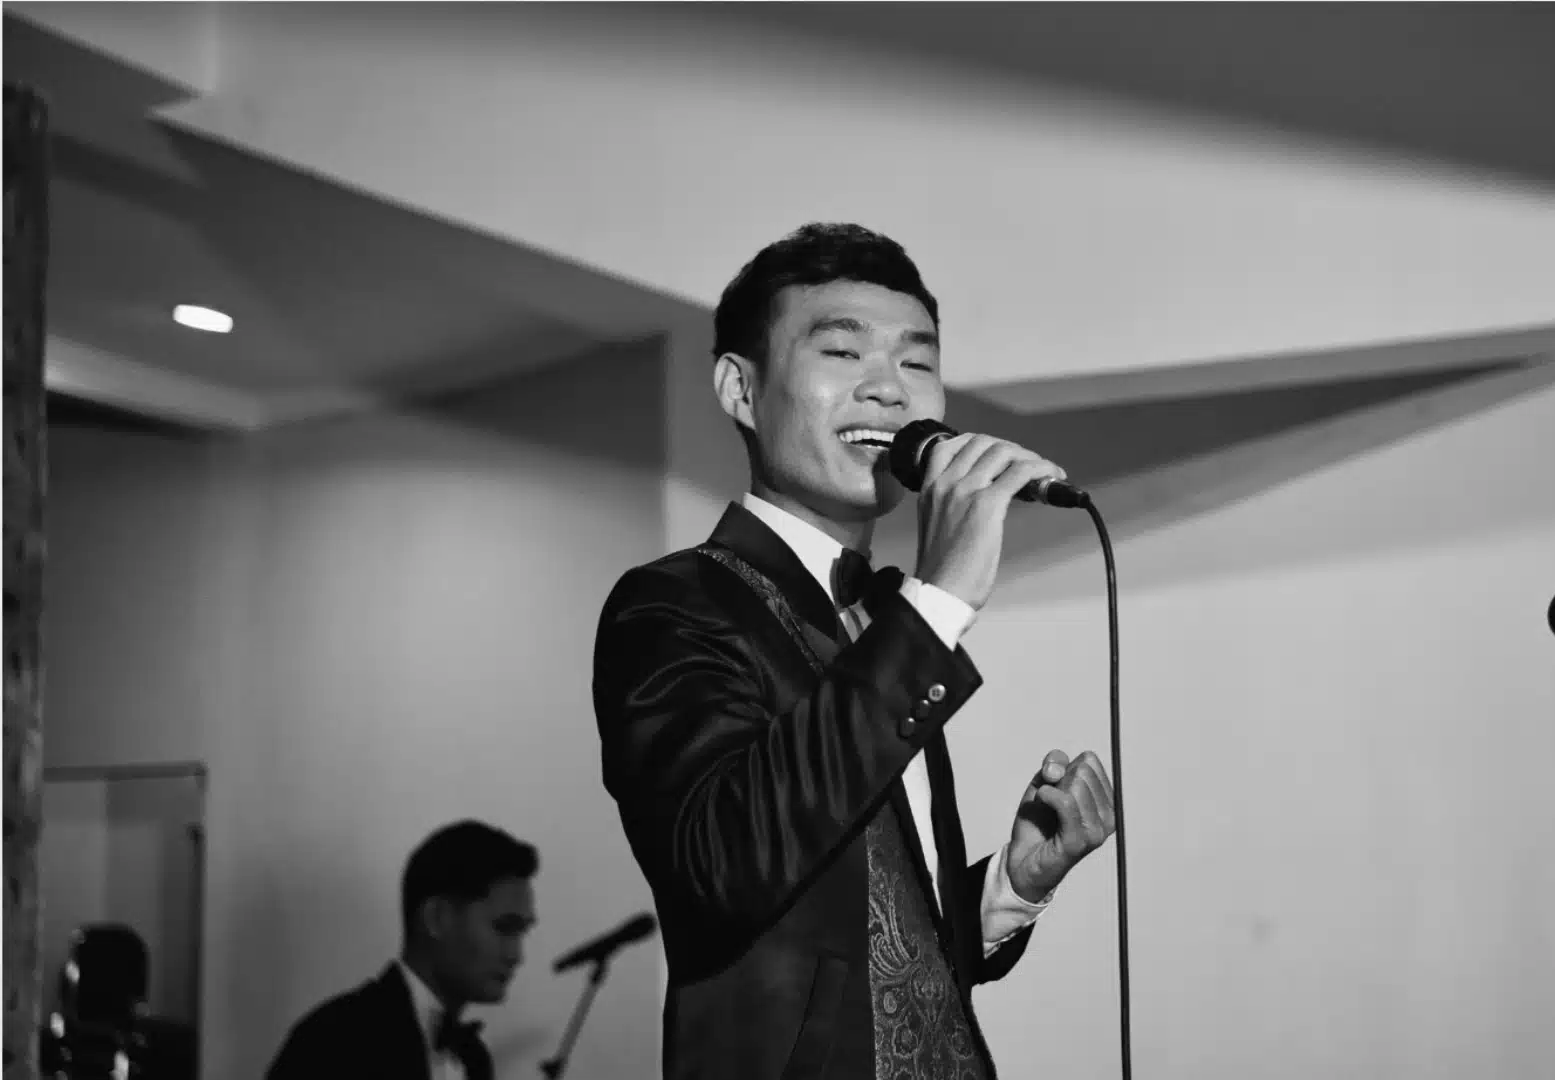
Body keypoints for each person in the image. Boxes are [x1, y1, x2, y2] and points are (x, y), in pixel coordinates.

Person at [593, 222, 1116, 1080]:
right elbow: (722, 871)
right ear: (739, 388)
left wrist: (1011, 888)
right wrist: (940, 596)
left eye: (916, 363)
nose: (888, 391)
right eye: (842, 353)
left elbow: (869, 949)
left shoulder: (883, 620)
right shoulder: (671, 605)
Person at [263, 820, 539, 1080]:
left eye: (522, 932)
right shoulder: (332, 1039)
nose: (516, 956)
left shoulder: (474, 1058)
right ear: (437, 918)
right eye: (504, 928)